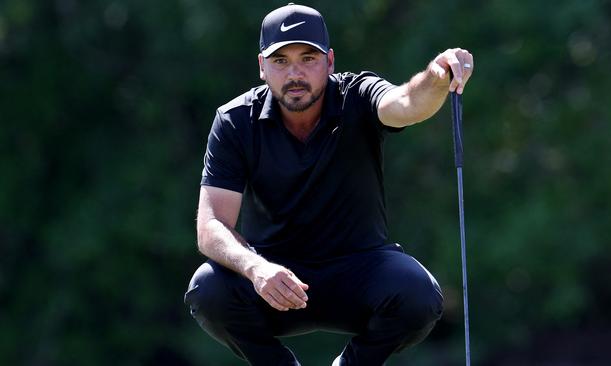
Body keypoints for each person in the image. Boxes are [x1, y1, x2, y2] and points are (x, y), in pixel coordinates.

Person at [184, 3, 473, 365]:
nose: (295, 73)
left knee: (420, 295)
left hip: (359, 273)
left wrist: (437, 75)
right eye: (281, 61)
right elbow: (211, 226)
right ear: (262, 67)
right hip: (273, 279)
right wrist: (255, 268)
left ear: (330, 62)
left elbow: (408, 103)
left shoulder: (359, 95)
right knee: (206, 289)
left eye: (308, 58)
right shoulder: (234, 121)